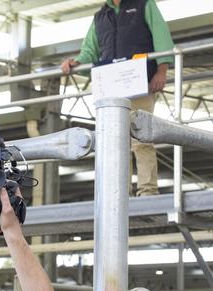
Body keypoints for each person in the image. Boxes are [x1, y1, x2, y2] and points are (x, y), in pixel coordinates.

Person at [61, 0, 174, 196]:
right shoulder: (100, 16)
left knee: (141, 138)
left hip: (140, 83)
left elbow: (162, 38)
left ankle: (147, 191)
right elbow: (90, 50)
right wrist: (77, 61)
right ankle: (120, 193)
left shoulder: (144, 4)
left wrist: (161, 70)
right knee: (116, 142)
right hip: (111, 87)